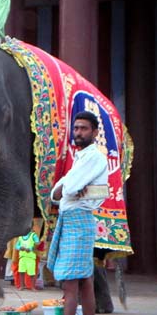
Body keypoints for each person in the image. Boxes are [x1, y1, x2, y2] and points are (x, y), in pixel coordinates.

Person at [47, 111, 109, 315]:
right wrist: (66, 189)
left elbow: (69, 187)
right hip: (72, 221)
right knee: (83, 280)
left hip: (79, 221)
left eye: (84, 128)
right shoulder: (80, 157)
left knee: (71, 282)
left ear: (95, 132)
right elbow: (56, 194)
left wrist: (67, 189)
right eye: (76, 128)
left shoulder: (94, 157)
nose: (79, 132)